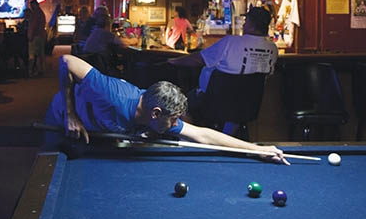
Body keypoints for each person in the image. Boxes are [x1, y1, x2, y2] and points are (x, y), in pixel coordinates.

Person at [44, 54, 289, 165]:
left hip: (99, 130)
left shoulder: (155, 113)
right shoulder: (112, 95)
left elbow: (202, 134)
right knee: (52, 161)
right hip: (60, 118)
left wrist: (257, 150)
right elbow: (67, 61)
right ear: (156, 113)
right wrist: (70, 114)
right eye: (172, 121)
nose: (175, 126)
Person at [167, 6, 278, 131]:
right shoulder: (272, 48)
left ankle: (193, 142)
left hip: (214, 102)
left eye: (246, 22)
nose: (244, 25)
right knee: (234, 108)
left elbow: (199, 59)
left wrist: (173, 61)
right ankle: (227, 137)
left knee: (180, 103)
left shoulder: (231, 42)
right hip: (248, 106)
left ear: (252, 24)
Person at [28, 0, 47, 76]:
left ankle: (31, 71)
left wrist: (30, 35)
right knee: (40, 54)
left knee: (32, 54)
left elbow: (33, 26)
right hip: (41, 36)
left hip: (35, 36)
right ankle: (40, 69)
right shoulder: (41, 13)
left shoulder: (35, 14)